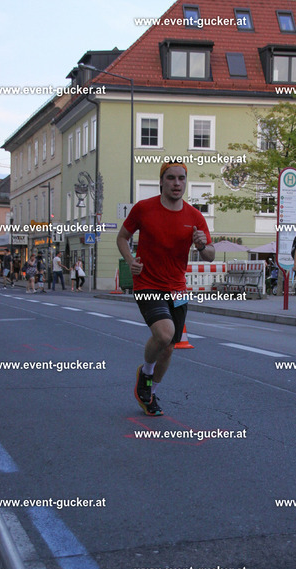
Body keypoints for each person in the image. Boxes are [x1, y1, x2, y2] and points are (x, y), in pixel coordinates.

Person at [117, 161, 215, 417]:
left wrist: (201, 245)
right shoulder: (144, 208)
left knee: (170, 347)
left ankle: (150, 392)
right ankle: (146, 372)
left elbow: (210, 255)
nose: (176, 183)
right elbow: (122, 237)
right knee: (164, 335)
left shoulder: (195, 217)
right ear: (161, 181)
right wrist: (130, 261)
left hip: (177, 288)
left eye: (181, 178)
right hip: (148, 283)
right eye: (171, 178)